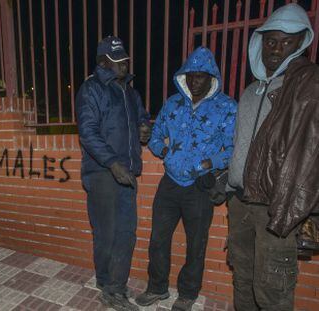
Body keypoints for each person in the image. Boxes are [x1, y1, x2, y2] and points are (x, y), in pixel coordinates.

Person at [227, 3, 318, 310]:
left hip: (275, 209)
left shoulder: (306, 86)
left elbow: (311, 152)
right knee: (242, 281)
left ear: (301, 43)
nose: (277, 49)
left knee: (272, 293)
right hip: (240, 204)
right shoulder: (250, 91)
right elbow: (242, 144)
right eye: (271, 41)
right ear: (260, 43)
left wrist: (304, 211)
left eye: (287, 42)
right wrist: (227, 181)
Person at [136, 47, 237, 311]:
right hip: (170, 183)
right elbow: (156, 136)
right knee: (158, 239)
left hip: (199, 186)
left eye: (200, 77)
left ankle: (188, 294)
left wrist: (209, 163)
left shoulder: (227, 107)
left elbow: (233, 147)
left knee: (196, 244)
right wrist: (166, 151)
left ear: (211, 77)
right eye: (190, 76)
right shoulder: (173, 103)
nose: (194, 81)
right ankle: (157, 288)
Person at [76, 36, 151, 311]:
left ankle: (114, 285)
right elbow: (88, 132)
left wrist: (145, 128)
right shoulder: (91, 89)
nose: (124, 64)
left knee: (127, 232)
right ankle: (108, 285)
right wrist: (112, 163)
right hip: (102, 172)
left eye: (125, 59)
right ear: (103, 62)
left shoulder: (131, 92)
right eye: (117, 60)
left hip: (127, 170)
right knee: (107, 233)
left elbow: (142, 117)